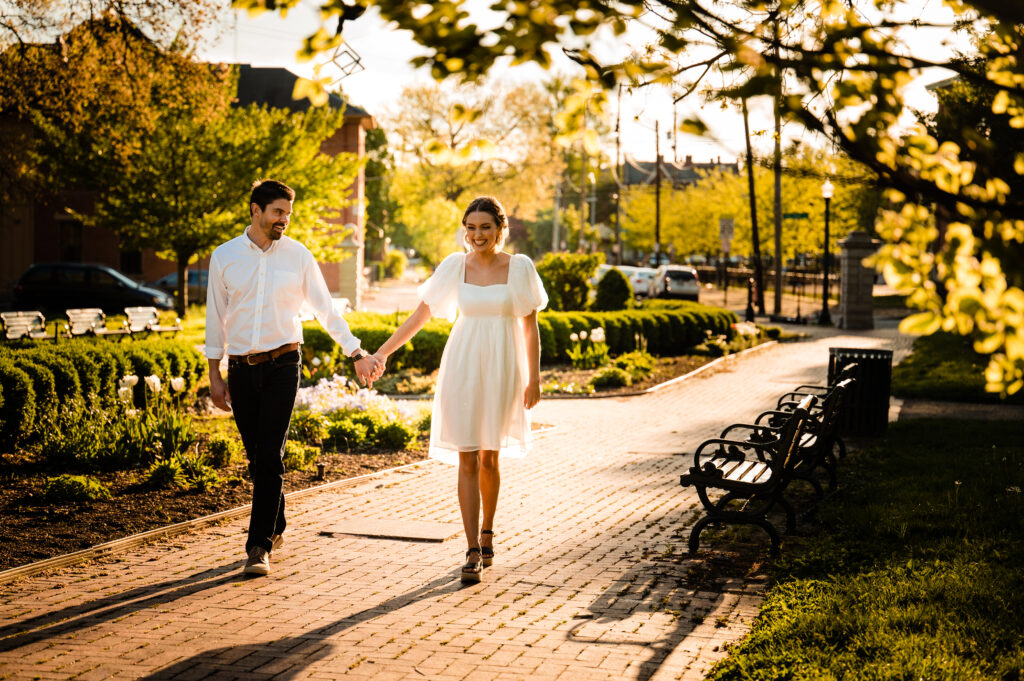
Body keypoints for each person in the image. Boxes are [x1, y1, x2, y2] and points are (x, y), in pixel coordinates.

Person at [205, 179, 382, 577]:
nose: (284, 219)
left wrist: (356, 351)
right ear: (255, 210)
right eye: (277, 212)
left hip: (285, 363)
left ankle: (258, 546)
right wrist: (214, 374)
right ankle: (276, 523)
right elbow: (214, 318)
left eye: (288, 213)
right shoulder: (225, 256)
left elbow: (325, 309)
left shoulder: (299, 256)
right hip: (240, 367)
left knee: (269, 453)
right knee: (257, 457)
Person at [370, 196, 547, 583]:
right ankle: (470, 548)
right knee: (467, 456)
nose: (477, 235)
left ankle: (488, 532)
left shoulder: (519, 268)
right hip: (463, 365)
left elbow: (530, 327)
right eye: (470, 227)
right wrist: (382, 353)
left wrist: (533, 378)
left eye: (485, 227)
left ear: (500, 229)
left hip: (503, 366)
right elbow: (421, 315)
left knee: (490, 458)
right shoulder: (454, 266)